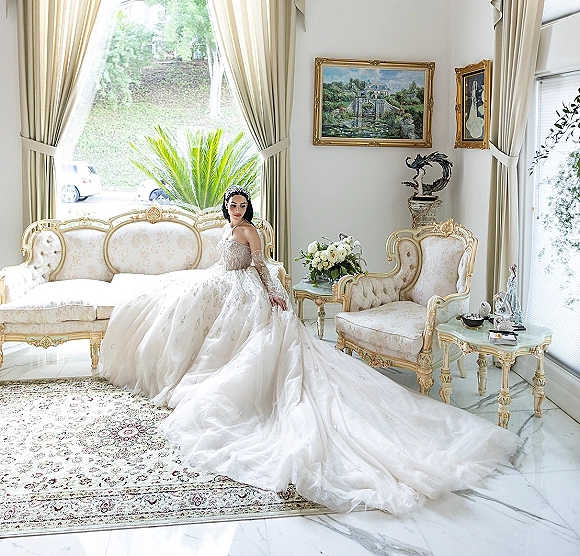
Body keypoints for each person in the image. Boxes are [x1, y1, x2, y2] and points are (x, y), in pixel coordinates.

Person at [99, 185, 520, 515]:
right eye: (234, 206)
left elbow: (260, 265)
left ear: (249, 210)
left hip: (246, 286)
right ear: (227, 206)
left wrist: (276, 293)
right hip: (221, 280)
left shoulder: (248, 231)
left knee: (241, 334)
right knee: (171, 305)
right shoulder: (227, 227)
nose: (238, 211)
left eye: (244, 207)